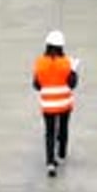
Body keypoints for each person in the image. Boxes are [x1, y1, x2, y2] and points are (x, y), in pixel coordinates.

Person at [32, 30, 79, 177]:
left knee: (50, 132)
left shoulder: (39, 62)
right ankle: (61, 154)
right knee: (63, 128)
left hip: (48, 105)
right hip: (64, 103)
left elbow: (37, 85)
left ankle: (50, 163)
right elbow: (72, 84)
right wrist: (73, 70)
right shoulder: (67, 63)